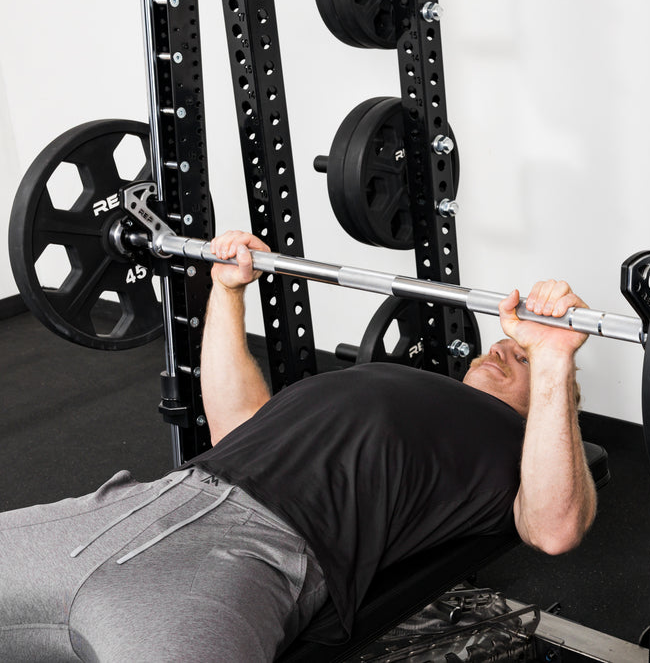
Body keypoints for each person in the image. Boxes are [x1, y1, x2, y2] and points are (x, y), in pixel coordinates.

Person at [0, 230, 598, 662]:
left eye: (517, 356)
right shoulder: (398, 385)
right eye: (502, 346)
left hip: (239, 564)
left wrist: (550, 359)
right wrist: (228, 292)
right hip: (136, 507)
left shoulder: (509, 448)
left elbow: (555, 529)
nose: (497, 349)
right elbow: (238, 425)